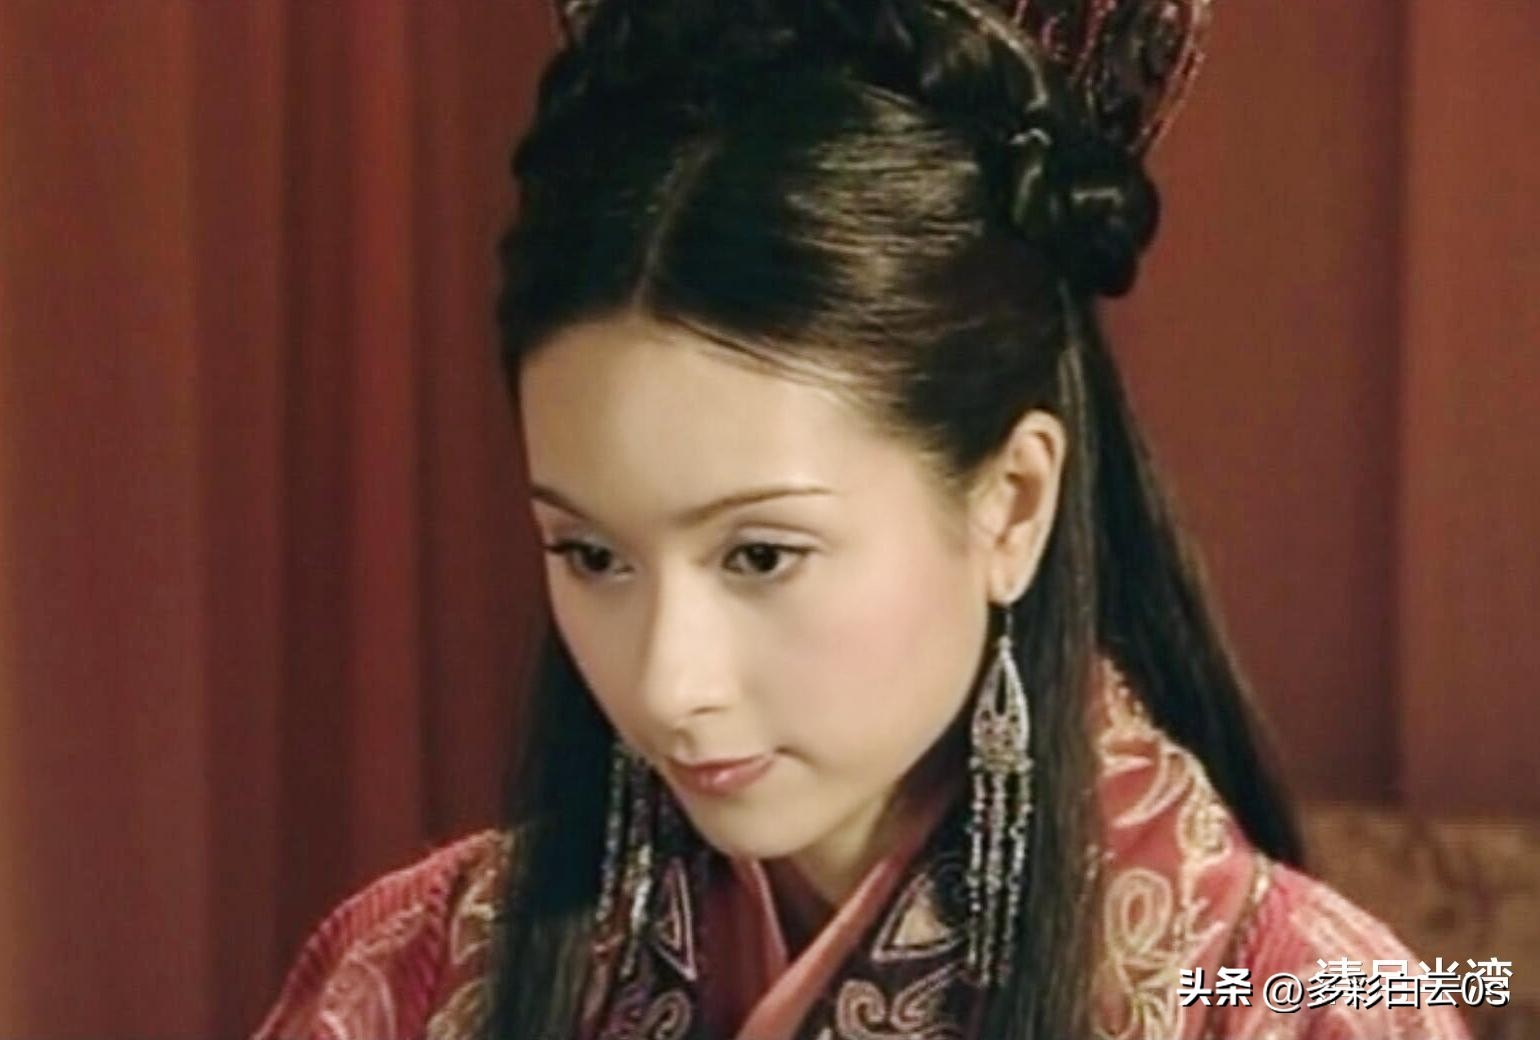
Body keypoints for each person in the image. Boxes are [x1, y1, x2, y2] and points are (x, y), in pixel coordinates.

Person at [252, 1, 1480, 1038]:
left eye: (760, 553)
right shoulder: (412, 977)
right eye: (591, 553)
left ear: (1011, 504)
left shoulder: (1300, 1001)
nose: (667, 681)